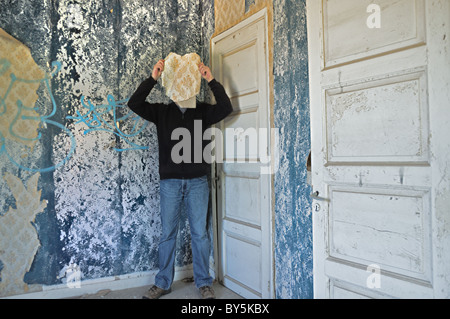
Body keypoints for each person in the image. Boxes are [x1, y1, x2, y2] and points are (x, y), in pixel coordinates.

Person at [128, 58, 233, 299]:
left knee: (200, 234)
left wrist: (211, 79)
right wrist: (153, 77)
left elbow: (226, 107)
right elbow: (134, 103)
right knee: (168, 234)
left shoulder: (204, 111)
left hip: (197, 181)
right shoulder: (162, 111)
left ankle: (204, 283)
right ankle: (163, 283)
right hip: (170, 183)